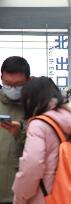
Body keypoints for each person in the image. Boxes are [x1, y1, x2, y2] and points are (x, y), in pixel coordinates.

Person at [12, 76, 71, 204]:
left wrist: (20, 197)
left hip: (45, 195)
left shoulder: (38, 125)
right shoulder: (70, 119)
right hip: (70, 191)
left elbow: (32, 165)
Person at [0, 56, 30, 204]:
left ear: (28, 81)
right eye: (7, 83)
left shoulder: (35, 106)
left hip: (21, 193)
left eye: (17, 84)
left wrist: (21, 132)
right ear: (1, 77)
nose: (11, 88)